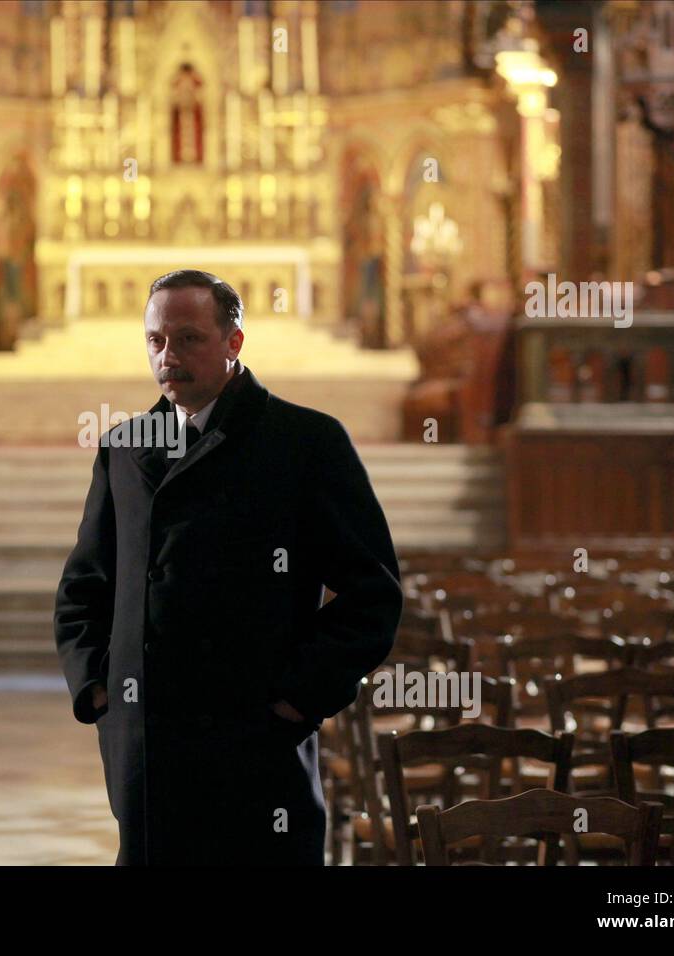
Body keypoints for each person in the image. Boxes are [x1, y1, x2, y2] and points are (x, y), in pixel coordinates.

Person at [54, 269, 402, 865]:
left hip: (255, 750)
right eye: (156, 341)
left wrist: (295, 700)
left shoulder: (304, 442)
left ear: (234, 342)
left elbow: (372, 594)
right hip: (147, 753)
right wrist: (100, 694)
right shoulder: (124, 447)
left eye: (188, 338)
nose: (168, 356)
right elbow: (84, 588)